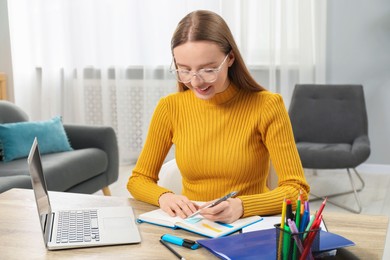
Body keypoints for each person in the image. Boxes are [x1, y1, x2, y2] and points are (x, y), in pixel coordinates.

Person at [127, 10, 309, 223]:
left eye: (208, 69)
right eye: (184, 70)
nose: (195, 82)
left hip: (248, 225)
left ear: (230, 58)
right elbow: (138, 180)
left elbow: (297, 189)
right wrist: (164, 196)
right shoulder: (170, 107)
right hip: (192, 226)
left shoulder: (267, 105)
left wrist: (242, 206)